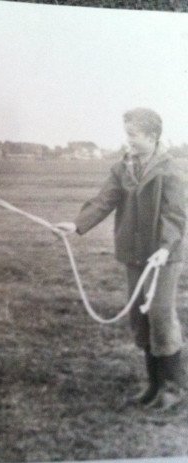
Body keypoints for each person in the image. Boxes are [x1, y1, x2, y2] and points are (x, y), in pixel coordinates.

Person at [55, 108, 186, 410]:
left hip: (164, 257)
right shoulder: (122, 168)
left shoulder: (170, 170)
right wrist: (76, 225)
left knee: (160, 314)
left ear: (152, 137)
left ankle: (172, 387)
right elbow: (104, 201)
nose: (127, 140)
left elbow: (176, 215)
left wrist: (165, 248)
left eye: (132, 135)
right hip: (135, 255)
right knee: (140, 318)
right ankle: (153, 385)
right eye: (126, 134)